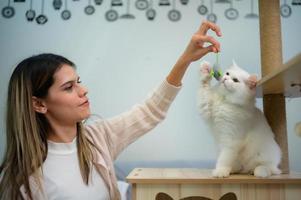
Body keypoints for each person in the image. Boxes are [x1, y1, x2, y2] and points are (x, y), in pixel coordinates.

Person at [0, 21, 221, 200]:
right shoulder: (18, 180)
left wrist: (185, 60)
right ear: (38, 104)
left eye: (79, 81)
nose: (83, 90)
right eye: (69, 87)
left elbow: (150, 110)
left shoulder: (98, 139)